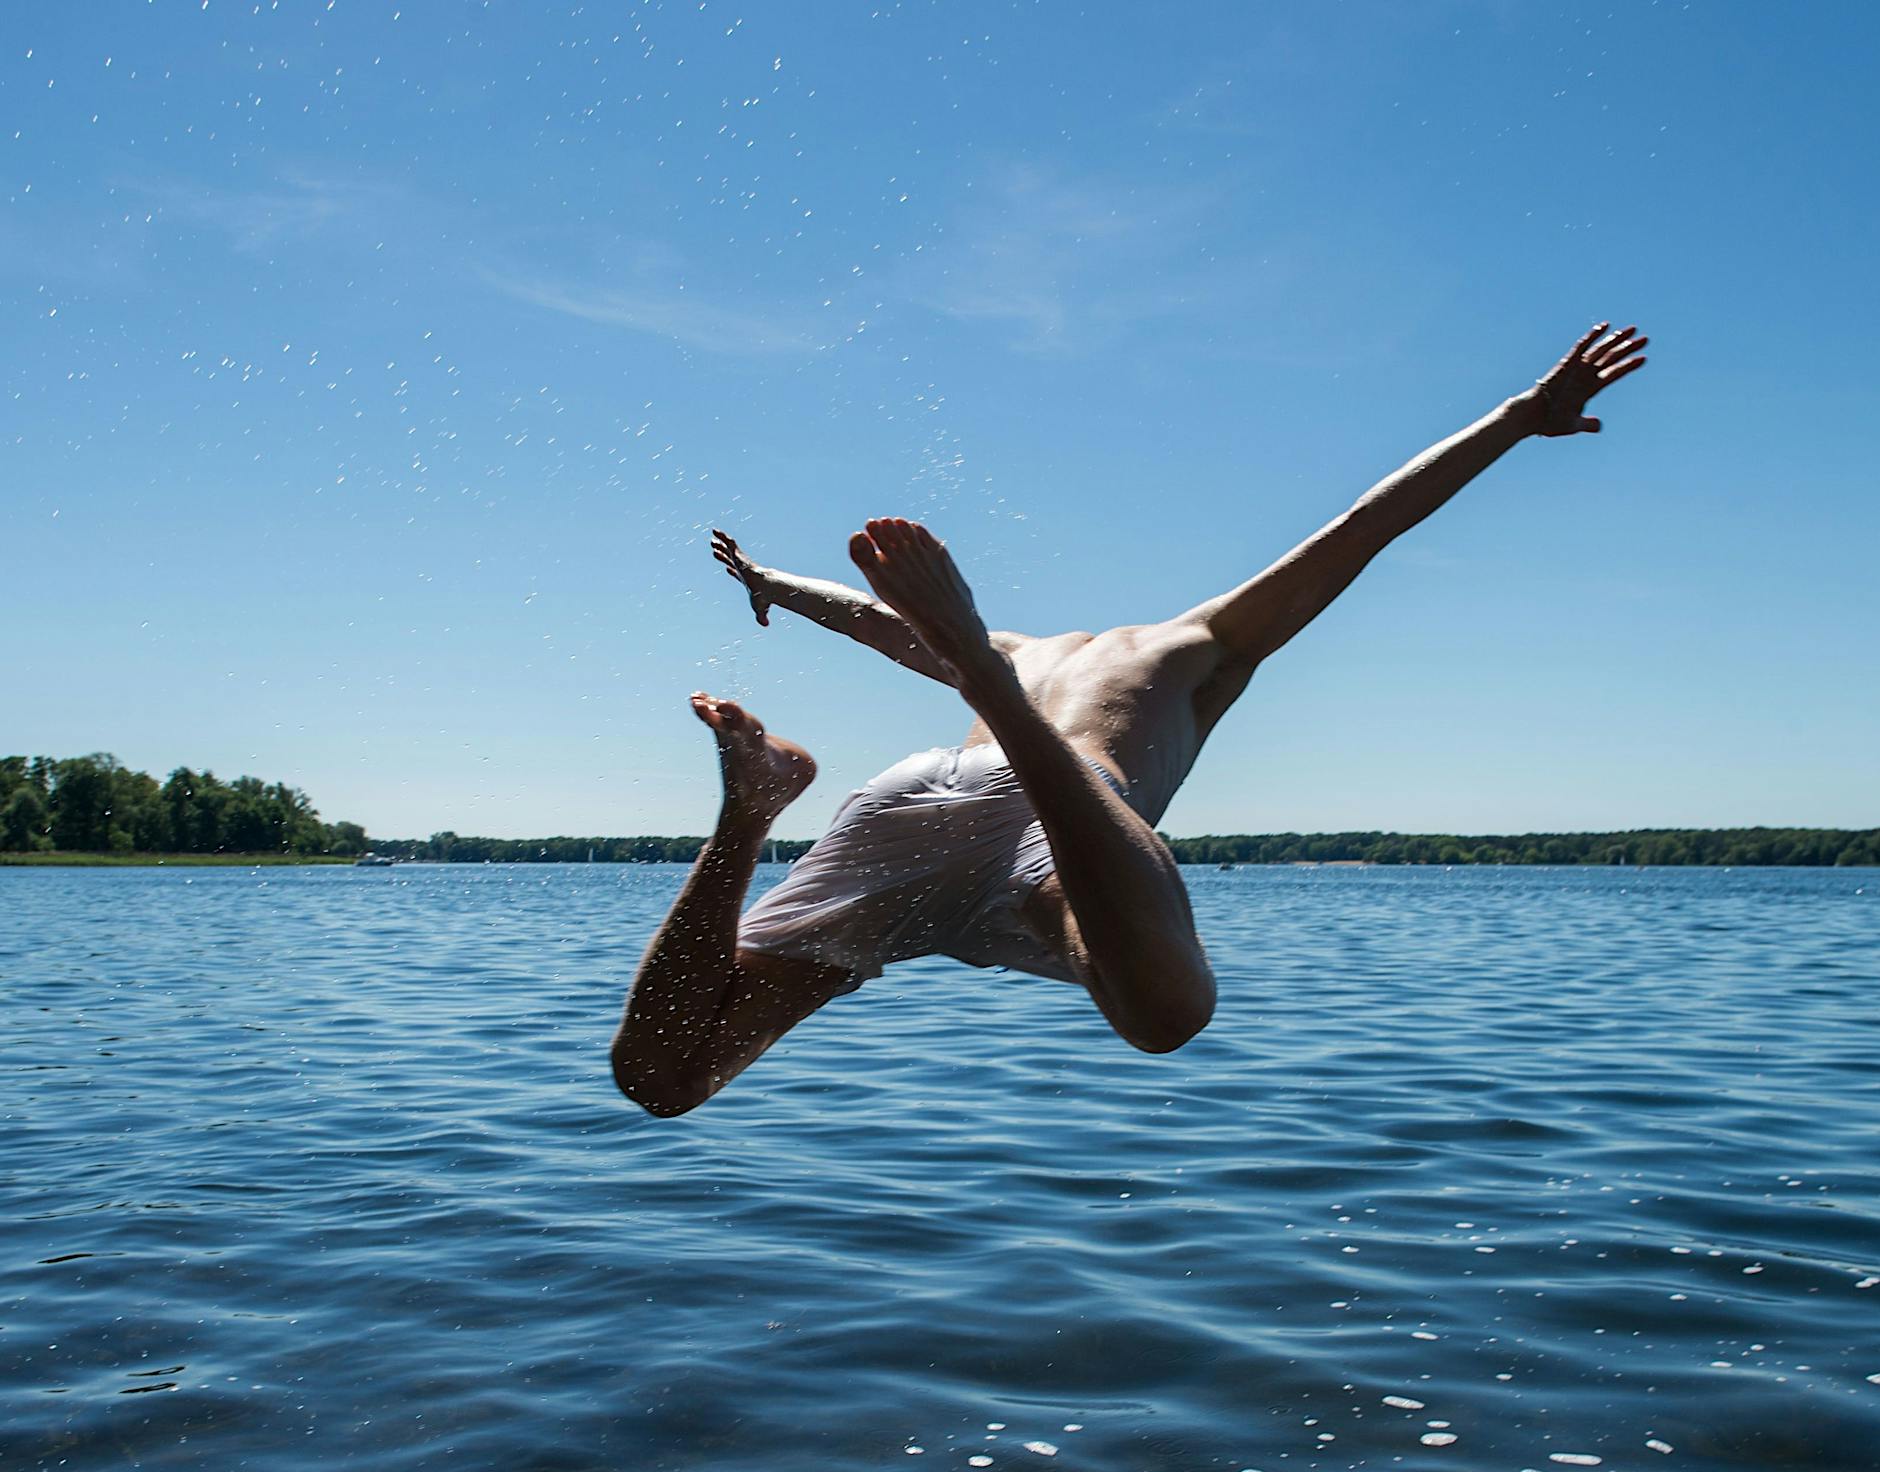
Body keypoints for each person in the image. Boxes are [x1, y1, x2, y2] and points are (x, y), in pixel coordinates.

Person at [612, 323, 1648, 1115]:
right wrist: (1513, 420)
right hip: (1049, 823)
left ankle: (751, 810)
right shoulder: (1192, 644)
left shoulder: (1032, 644)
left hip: (920, 796)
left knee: (666, 1074)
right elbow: (1359, 529)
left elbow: (867, 620)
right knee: (1166, 1016)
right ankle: (985, 699)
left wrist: (768, 580)